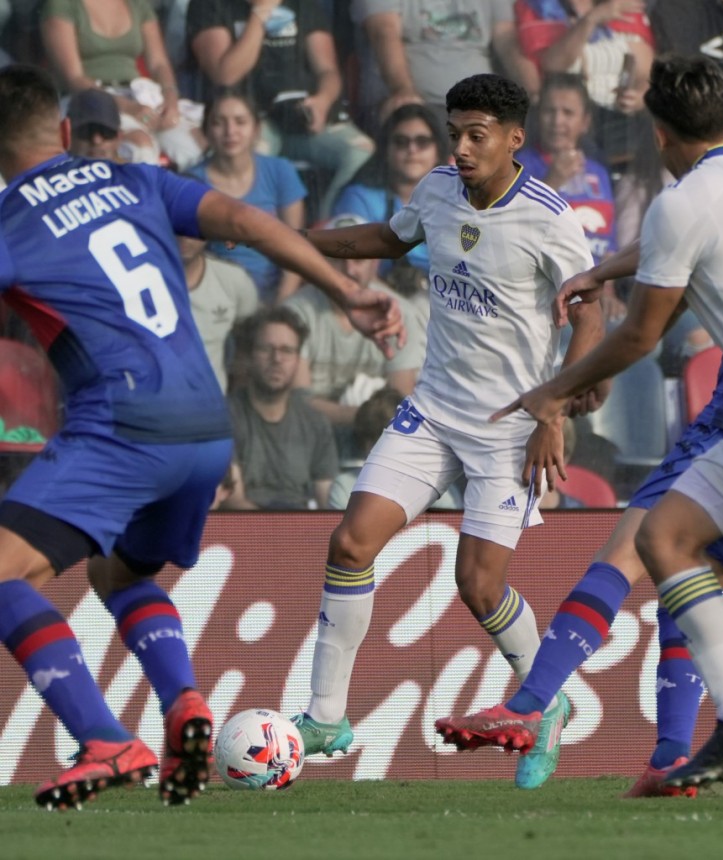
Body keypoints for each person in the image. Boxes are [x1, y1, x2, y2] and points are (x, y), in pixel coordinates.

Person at [435, 56, 723, 792]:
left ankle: (566, 710)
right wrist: (608, 269)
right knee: (665, 540)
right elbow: (691, 244)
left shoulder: (710, 200)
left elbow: (639, 337)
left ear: (656, 133)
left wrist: (554, 393)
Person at [0, 62, 402, 811]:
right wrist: (346, 291)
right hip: (208, 428)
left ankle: (103, 738)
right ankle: (185, 703)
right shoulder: (138, 179)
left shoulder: (11, 222)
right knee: (122, 575)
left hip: (122, 425)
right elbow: (251, 222)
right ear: (62, 132)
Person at [290, 72, 602, 791]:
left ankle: (544, 707)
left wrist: (551, 411)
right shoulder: (434, 190)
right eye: (454, 131)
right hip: (433, 410)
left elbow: (592, 310)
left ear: (514, 139)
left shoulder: (550, 218)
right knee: (350, 541)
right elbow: (388, 239)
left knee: (478, 583)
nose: (459, 147)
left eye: (475, 135)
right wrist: (295, 241)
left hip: (511, 427)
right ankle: (326, 716)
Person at [185, 0, 375, 219]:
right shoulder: (210, 5)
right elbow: (225, 74)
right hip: (253, 121)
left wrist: (323, 101)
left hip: (306, 115)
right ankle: (254, 241)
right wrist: (260, 14)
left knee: (363, 152)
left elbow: (328, 71)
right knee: (245, 157)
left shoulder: (302, 5)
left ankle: (329, 230)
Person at [285, 213, 426, 453]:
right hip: (308, 436)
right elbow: (298, 404)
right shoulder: (297, 312)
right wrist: (366, 415)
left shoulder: (398, 312)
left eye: (359, 259)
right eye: (340, 258)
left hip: (380, 439)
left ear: (376, 264)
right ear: (324, 262)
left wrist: (368, 418)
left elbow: (401, 398)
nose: (349, 269)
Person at [40, 0, 205, 169]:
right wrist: (129, 108)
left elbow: (158, 64)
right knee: (140, 147)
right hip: (89, 101)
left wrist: (171, 102)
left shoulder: (138, 4)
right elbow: (74, 79)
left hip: (138, 93)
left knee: (193, 144)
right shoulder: (62, 5)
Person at [351, 0, 540, 134]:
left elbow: (506, 37)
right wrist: (404, 91)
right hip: (422, 102)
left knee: (539, 120)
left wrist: (533, 89)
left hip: (482, 105)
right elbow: (383, 33)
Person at [188, 91, 307, 303]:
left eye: (240, 122)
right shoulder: (193, 183)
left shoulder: (280, 171)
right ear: (206, 131)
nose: (230, 131)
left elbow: (296, 249)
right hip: (219, 297)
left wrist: (280, 306)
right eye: (218, 123)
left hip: (276, 293)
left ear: (256, 130)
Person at [514, 0, 655, 168]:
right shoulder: (540, 6)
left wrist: (641, 97)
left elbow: (647, 67)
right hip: (573, 125)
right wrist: (591, 19)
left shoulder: (624, 6)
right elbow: (554, 65)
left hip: (627, 124)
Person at [225, 306, 339, 510]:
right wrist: (278, 537)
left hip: (302, 532)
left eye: (287, 350)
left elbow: (326, 502)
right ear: (250, 355)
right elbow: (233, 500)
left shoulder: (316, 423)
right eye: (266, 349)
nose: (276, 359)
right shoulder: (225, 416)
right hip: (241, 533)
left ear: (298, 359)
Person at [332, 102, 447, 282]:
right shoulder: (359, 199)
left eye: (422, 142)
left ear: (437, 151)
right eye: (401, 142)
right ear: (386, 150)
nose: (412, 150)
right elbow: (351, 270)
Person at [517, 71, 617, 266]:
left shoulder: (599, 173)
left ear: (585, 122)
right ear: (538, 116)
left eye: (568, 113)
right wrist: (552, 181)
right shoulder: (519, 165)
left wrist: (607, 290)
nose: (557, 121)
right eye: (549, 111)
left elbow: (609, 246)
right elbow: (514, 226)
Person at [178, 233, 259, 393]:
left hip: (212, 404)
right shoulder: (136, 282)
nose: (185, 236)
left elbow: (251, 336)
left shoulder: (234, 279)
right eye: (176, 228)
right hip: (153, 406)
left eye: (190, 228)